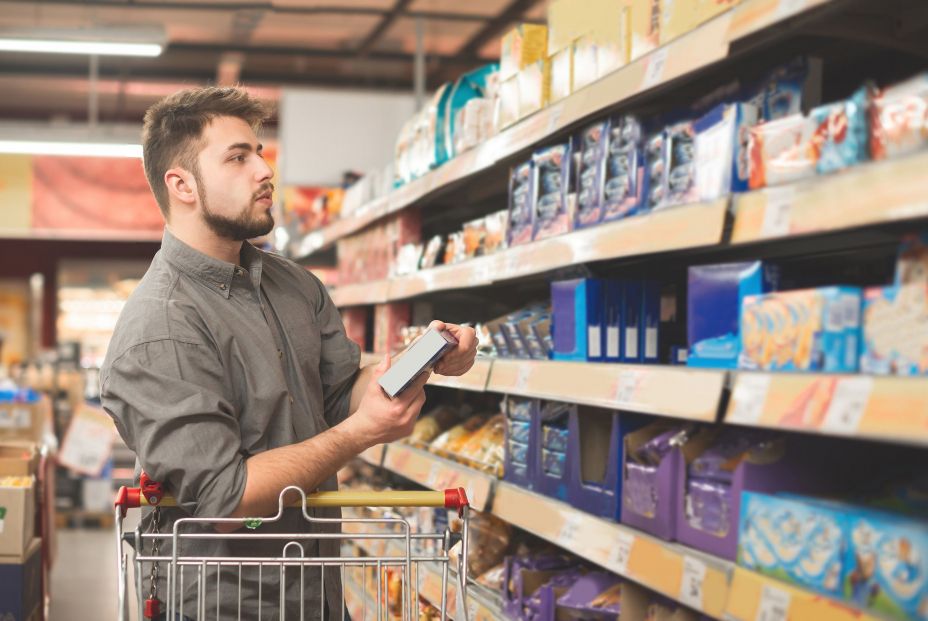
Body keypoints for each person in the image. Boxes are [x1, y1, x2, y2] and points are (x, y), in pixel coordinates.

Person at [100, 86, 477, 619]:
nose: (263, 169)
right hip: (228, 602)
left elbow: (343, 390)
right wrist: (362, 432)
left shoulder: (294, 285)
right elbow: (225, 498)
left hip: (315, 591)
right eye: (238, 157)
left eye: (259, 150)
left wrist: (421, 364)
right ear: (181, 184)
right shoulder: (160, 328)